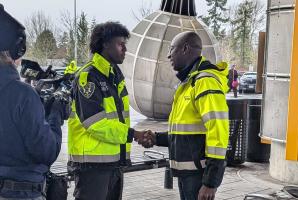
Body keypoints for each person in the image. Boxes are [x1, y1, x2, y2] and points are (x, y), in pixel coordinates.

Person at [140, 31, 229, 200]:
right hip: (188, 174)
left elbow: (218, 132)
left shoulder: (204, 82)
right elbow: (186, 132)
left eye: (171, 49)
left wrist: (210, 182)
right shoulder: (189, 83)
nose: (168, 55)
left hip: (199, 176)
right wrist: (157, 138)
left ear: (185, 48)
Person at [68, 21, 151, 200]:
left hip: (113, 164)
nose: (125, 49)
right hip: (91, 167)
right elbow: (96, 124)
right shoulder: (88, 77)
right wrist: (133, 134)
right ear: (105, 44)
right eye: (120, 44)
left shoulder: (114, 75)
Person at [0, 4, 68, 200]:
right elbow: (46, 152)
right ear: (15, 50)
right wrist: (54, 117)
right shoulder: (22, 95)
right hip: (20, 193)